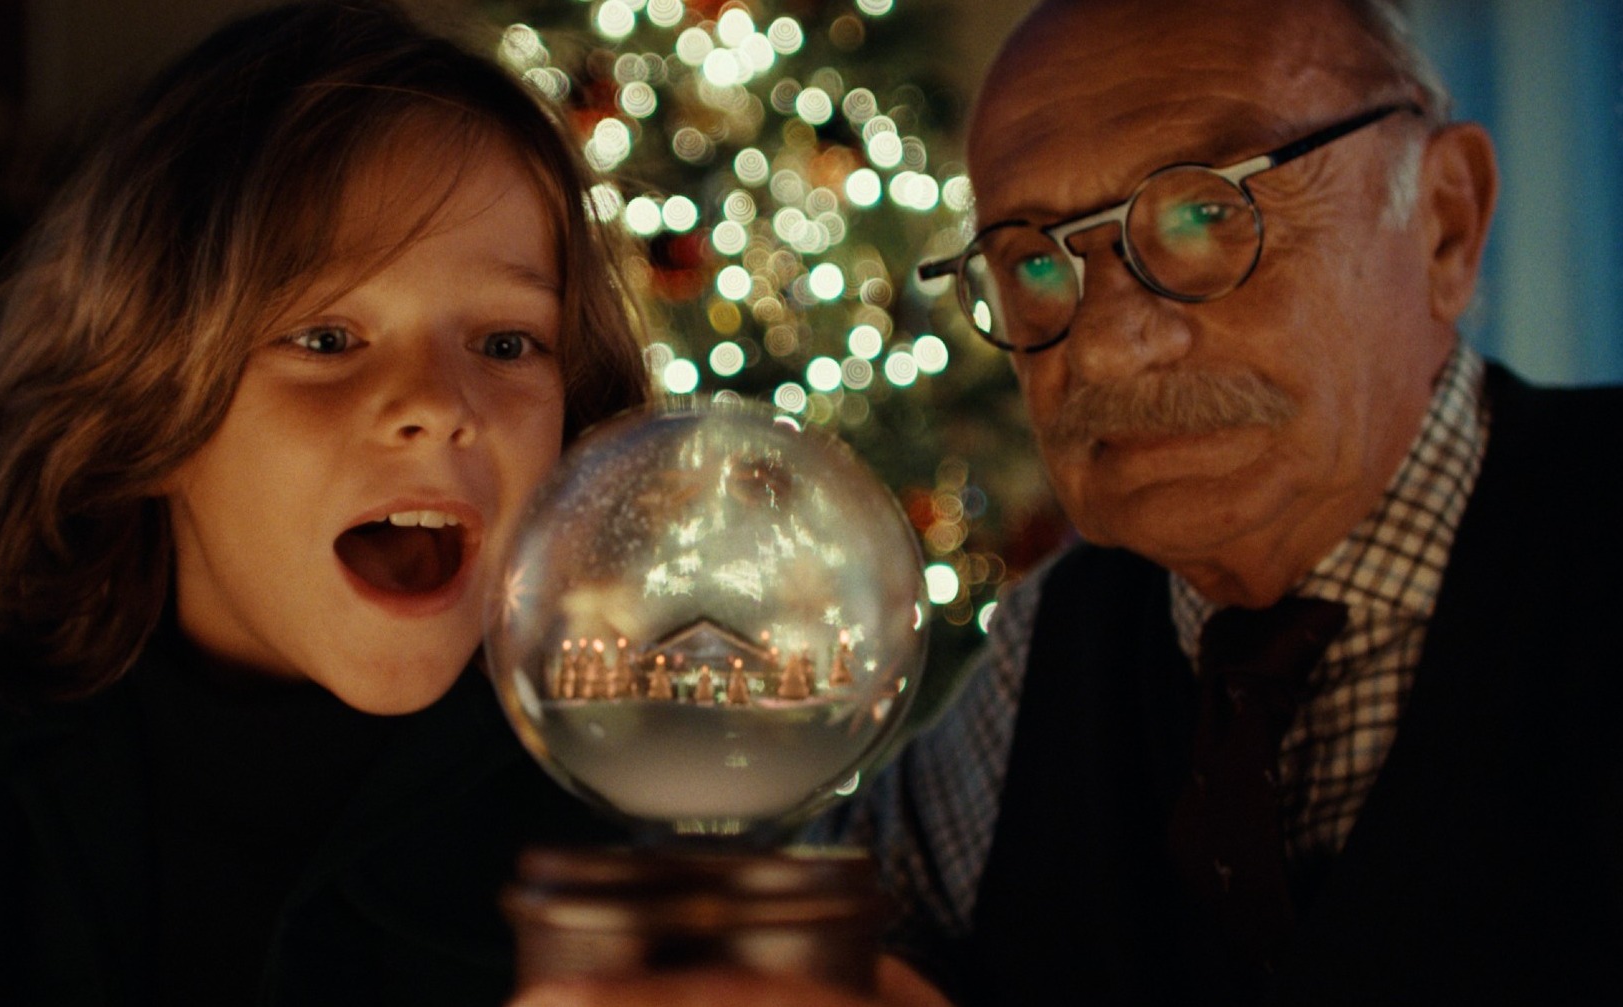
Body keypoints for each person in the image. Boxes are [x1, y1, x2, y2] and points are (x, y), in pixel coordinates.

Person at [512, 0, 1623, 1004]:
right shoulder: (1063, 638)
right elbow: (825, 945)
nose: (1113, 338)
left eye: (1204, 214)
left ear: (1445, 221)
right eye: (1033, 262)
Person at [0, 2, 649, 1004]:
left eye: (506, 343)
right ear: (150, 410)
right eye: (325, 338)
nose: (439, 407)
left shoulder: (652, 807)